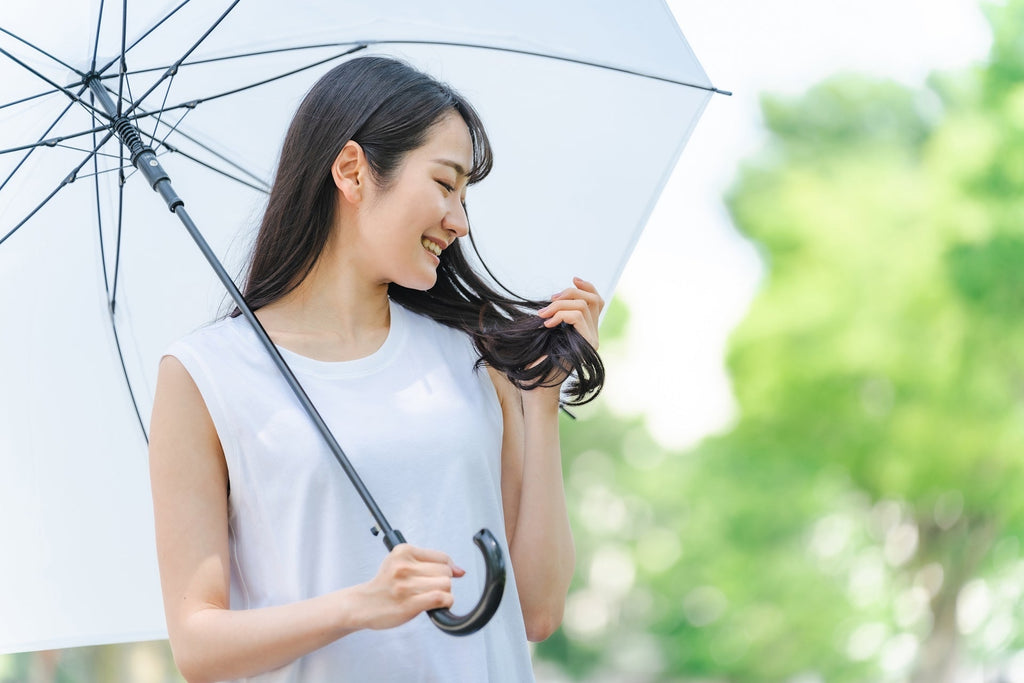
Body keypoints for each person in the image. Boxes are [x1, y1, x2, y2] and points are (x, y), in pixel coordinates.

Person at [148, 56, 604, 683]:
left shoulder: (473, 357)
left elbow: (538, 611)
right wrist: (360, 604)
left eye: (465, 195)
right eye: (446, 185)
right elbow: (198, 647)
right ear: (353, 171)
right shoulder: (206, 374)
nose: (461, 220)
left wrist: (542, 402)